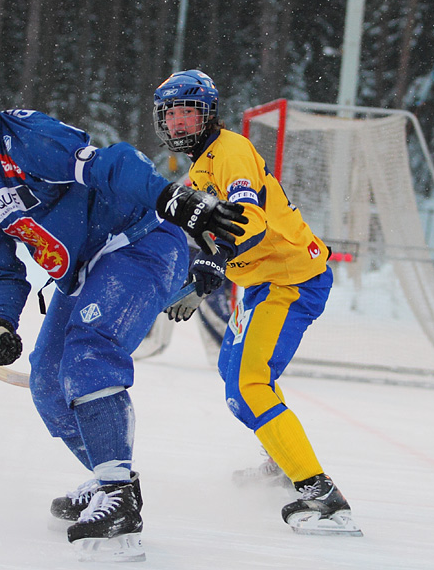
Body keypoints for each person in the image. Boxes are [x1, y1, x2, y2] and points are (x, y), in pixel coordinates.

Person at [0, 51, 247, 560]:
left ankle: (119, 497)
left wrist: (171, 198)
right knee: (48, 381)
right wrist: (0, 320)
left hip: (138, 243)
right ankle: (107, 475)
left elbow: (112, 164)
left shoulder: (23, 136)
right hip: (79, 275)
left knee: (89, 351)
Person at [153, 69, 362, 536]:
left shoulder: (229, 153)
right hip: (262, 285)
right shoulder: (199, 167)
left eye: (188, 112)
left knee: (249, 385)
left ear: (208, 114)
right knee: (236, 381)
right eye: (171, 114)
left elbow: (249, 219)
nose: (179, 123)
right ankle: (282, 461)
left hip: (291, 282)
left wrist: (215, 263)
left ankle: (321, 496)